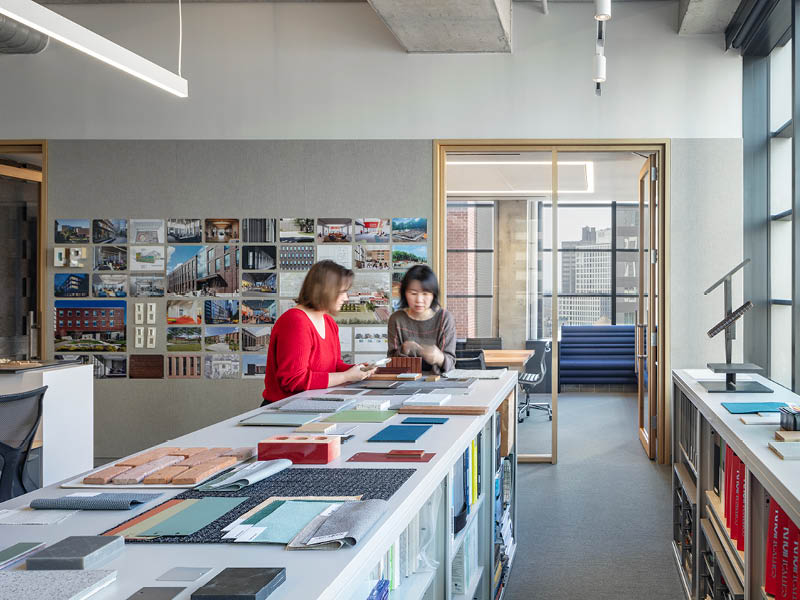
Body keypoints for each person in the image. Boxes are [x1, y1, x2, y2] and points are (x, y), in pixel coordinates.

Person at [262, 260, 376, 405]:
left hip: (313, 405)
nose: (346, 298)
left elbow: (333, 367)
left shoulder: (328, 322)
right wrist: (346, 376)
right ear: (325, 290)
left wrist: (358, 370)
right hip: (284, 409)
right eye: (342, 292)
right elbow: (293, 381)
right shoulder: (295, 321)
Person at [387, 265, 456, 374]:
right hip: (404, 382)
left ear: (433, 294)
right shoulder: (396, 319)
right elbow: (390, 362)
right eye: (413, 293)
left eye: (425, 293)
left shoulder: (444, 318)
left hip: (438, 382)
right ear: (404, 293)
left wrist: (439, 358)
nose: (419, 300)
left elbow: (451, 363)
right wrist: (403, 350)